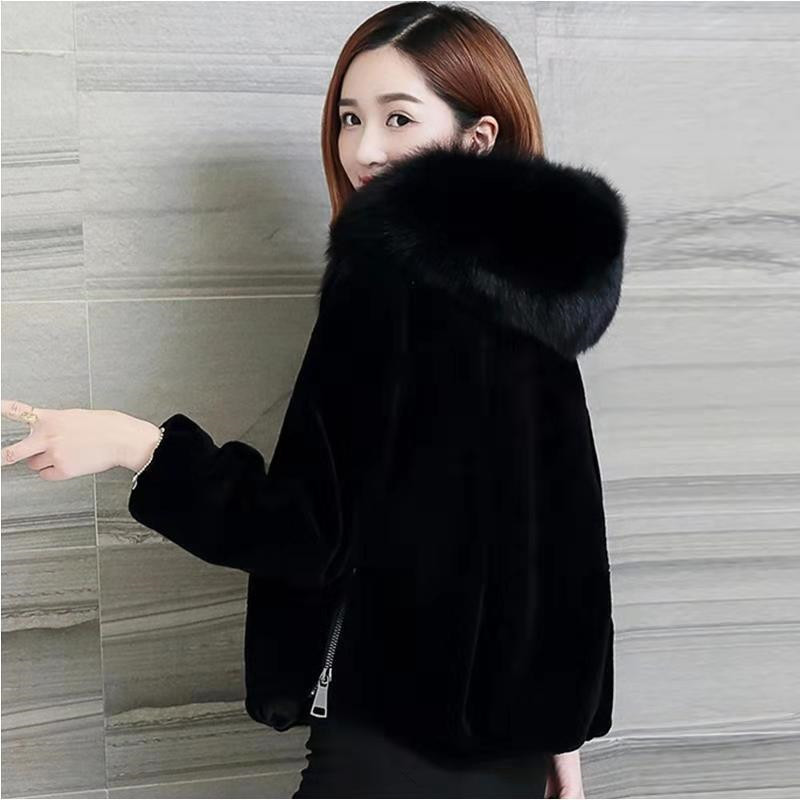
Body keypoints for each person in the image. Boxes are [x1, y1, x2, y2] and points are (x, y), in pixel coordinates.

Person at [1, 3, 628, 797]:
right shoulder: (529, 291)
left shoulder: (388, 284)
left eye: (399, 118)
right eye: (348, 118)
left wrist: (139, 447)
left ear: (478, 138)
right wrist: (559, 739)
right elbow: (561, 541)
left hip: (394, 743)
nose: (364, 149)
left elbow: (308, 533)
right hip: (505, 751)